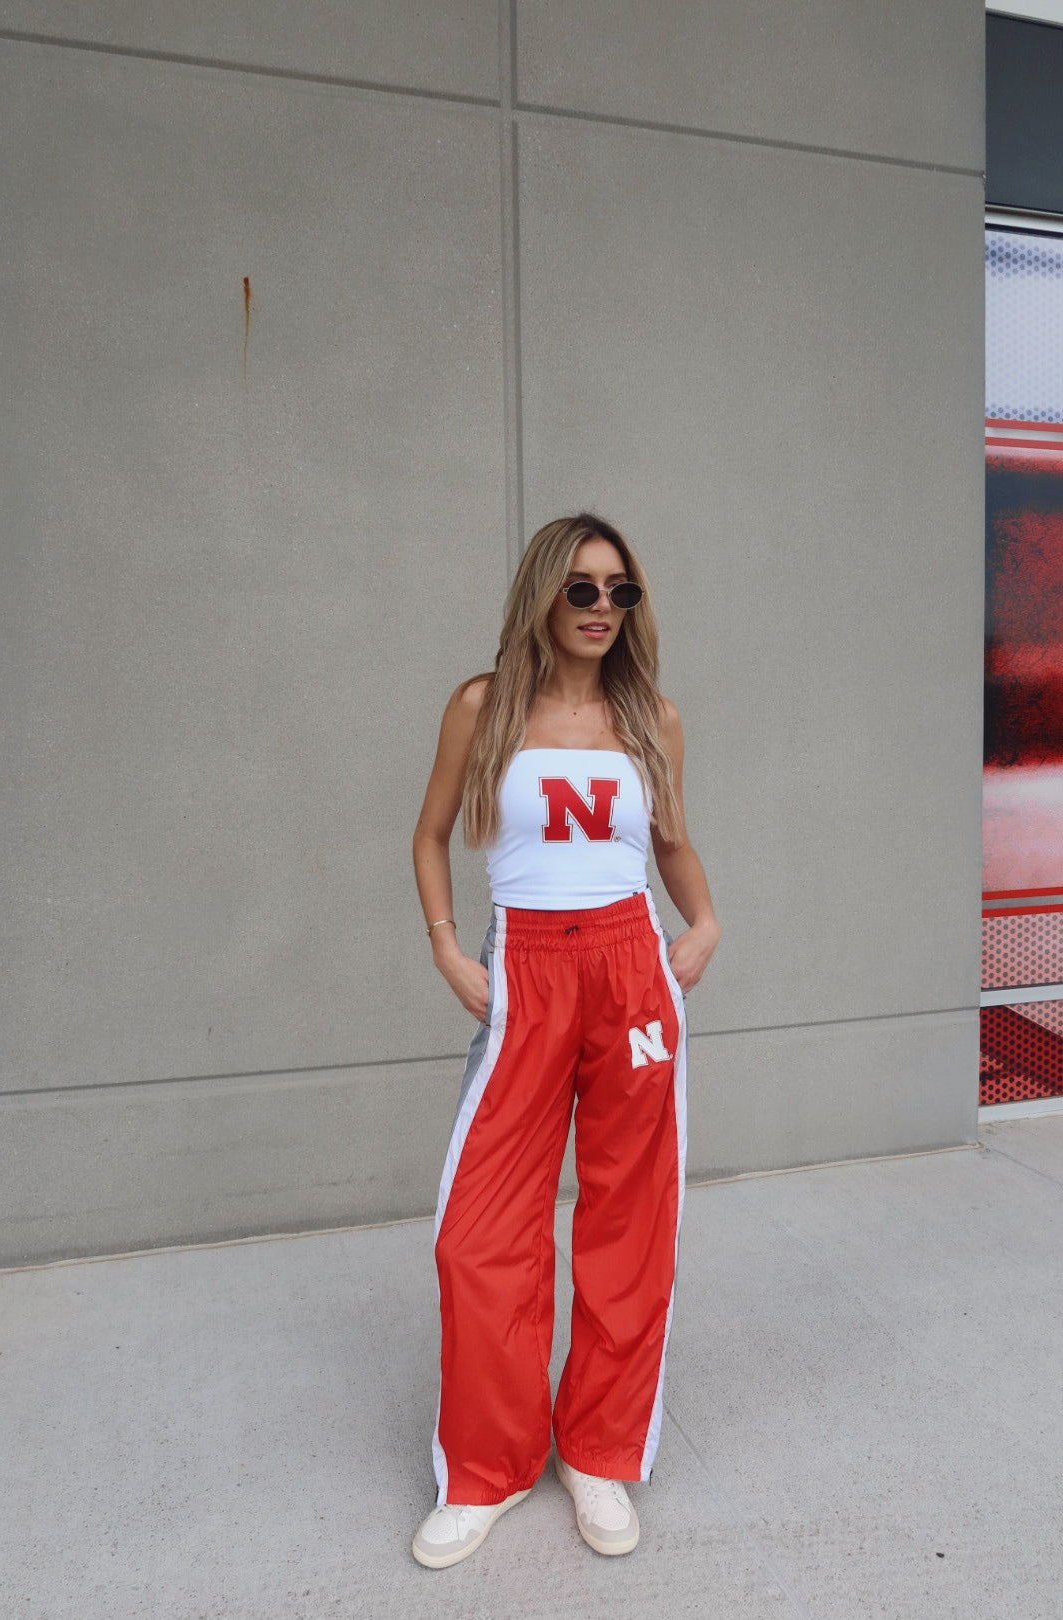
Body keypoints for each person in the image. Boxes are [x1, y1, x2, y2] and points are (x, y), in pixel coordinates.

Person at [410, 512, 720, 1569]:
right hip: (527, 971)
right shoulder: (483, 706)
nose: (600, 609)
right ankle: (490, 1467)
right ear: (544, 591)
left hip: (632, 973)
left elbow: (671, 842)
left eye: (620, 591)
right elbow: (429, 830)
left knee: (630, 1218)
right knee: (479, 1228)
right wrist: (451, 949)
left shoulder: (653, 719)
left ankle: (596, 1453)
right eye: (582, 588)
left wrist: (707, 925)